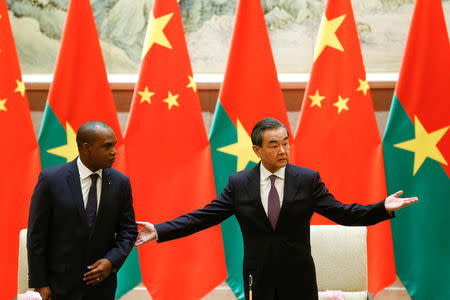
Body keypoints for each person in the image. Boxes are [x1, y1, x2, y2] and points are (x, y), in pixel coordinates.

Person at [135, 117, 418, 300]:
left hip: (298, 275)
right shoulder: (239, 183)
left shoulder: (307, 180)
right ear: (257, 151)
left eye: (285, 143)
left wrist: (382, 207)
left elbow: (343, 212)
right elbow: (203, 217)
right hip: (256, 275)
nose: (282, 150)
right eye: (274, 145)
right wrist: (159, 230)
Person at [27, 121, 138, 300]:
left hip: (101, 287)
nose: (114, 151)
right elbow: (36, 235)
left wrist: (111, 261)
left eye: (114, 145)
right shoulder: (51, 180)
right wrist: (41, 283)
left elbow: (128, 231)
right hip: (59, 286)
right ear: (87, 148)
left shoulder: (120, 183)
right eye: (107, 146)